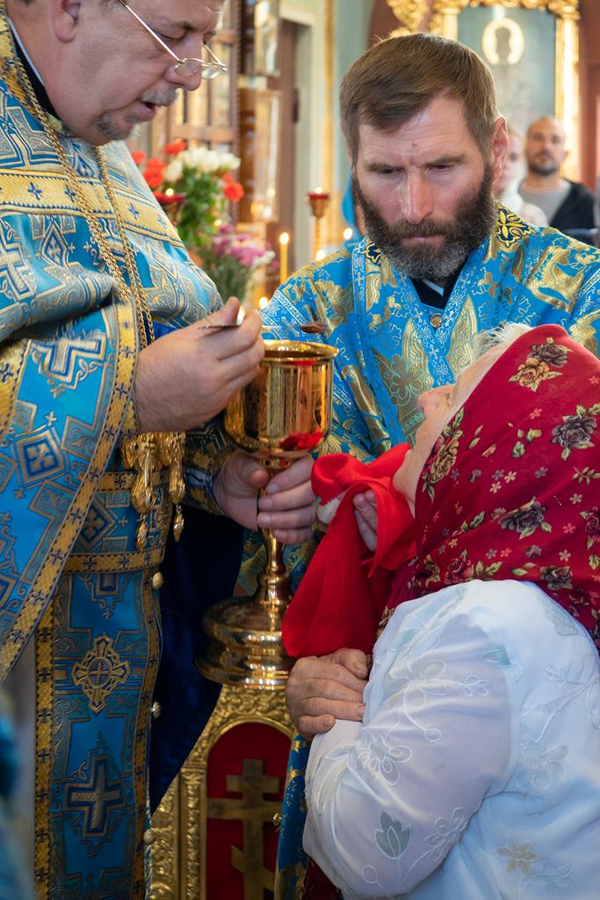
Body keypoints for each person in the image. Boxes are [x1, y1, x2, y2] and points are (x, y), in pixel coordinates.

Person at [0, 1, 314, 897]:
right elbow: (137, 378)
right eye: (174, 35)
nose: (186, 73)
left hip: (124, 666)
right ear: (68, 9)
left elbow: (157, 356)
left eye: (204, 47)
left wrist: (221, 477)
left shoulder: (99, 144)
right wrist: (129, 393)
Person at [243, 32, 600, 600]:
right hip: (346, 654)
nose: (414, 208)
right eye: (385, 172)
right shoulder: (307, 309)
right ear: (354, 164)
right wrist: (266, 494)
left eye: (441, 167)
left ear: (497, 147)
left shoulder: (583, 291)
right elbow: (234, 481)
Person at [298, 323, 600, 898]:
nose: (423, 398)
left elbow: (368, 852)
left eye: (454, 395)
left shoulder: (482, 623)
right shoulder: (542, 597)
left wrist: (335, 716)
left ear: (491, 443)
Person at [520, 115, 596, 235]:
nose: (546, 146)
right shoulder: (507, 197)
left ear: (565, 153)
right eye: (538, 138)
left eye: (555, 140)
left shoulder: (584, 201)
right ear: (525, 147)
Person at [493, 125, 546, 227]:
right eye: (497, 154)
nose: (505, 164)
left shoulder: (532, 217)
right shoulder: (461, 211)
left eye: (513, 158)